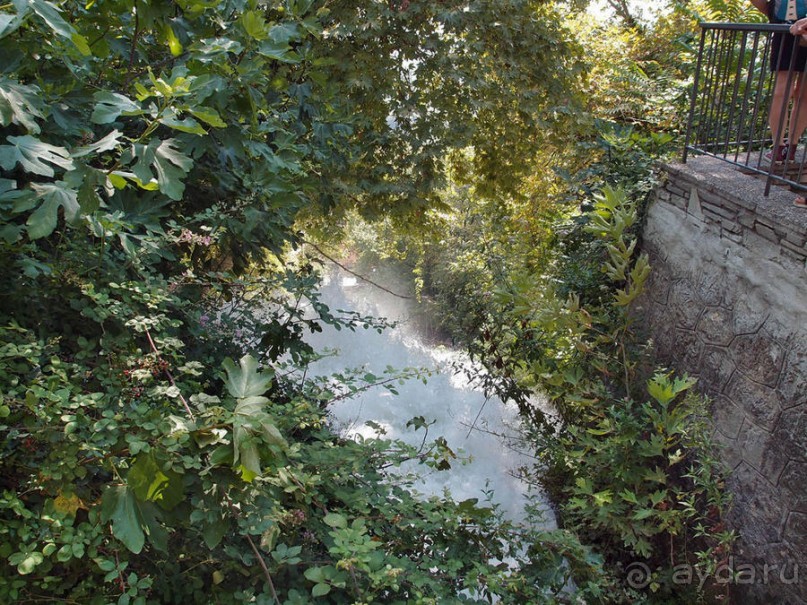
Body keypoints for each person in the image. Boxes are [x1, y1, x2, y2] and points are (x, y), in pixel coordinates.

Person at [751, 0, 807, 163]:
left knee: (798, 92)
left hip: (790, 28)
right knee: (786, 92)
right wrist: (773, 14)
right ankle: (782, 148)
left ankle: (785, 148)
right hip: (785, 29)